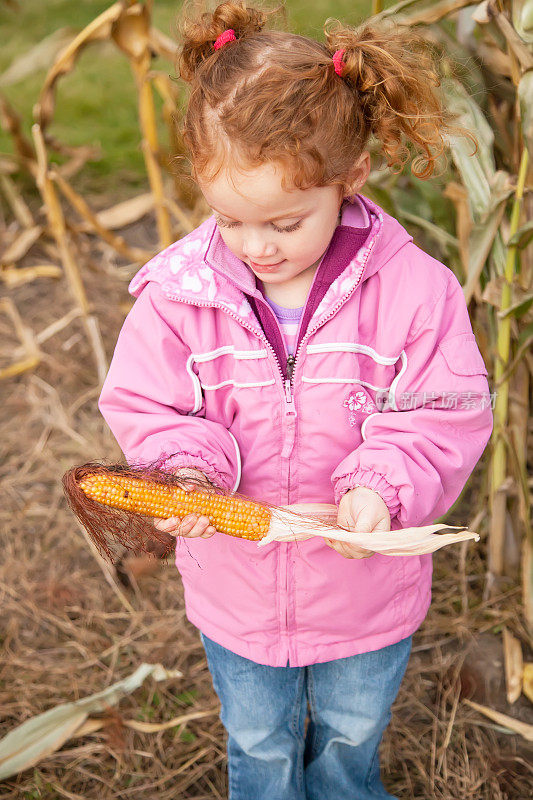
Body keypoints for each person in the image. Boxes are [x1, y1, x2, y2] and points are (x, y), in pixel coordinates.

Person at [99, 3, 493, 798]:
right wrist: (182, 473)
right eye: (230, 220)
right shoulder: (178, 298)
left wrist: (381, 486)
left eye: (283, 221)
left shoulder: (414, 294)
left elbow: (440, 411)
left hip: (362, 590)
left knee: (351, 735)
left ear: (348, 179)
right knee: (258, 742)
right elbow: (150, 406)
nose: (256, 246)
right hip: (236, 592)